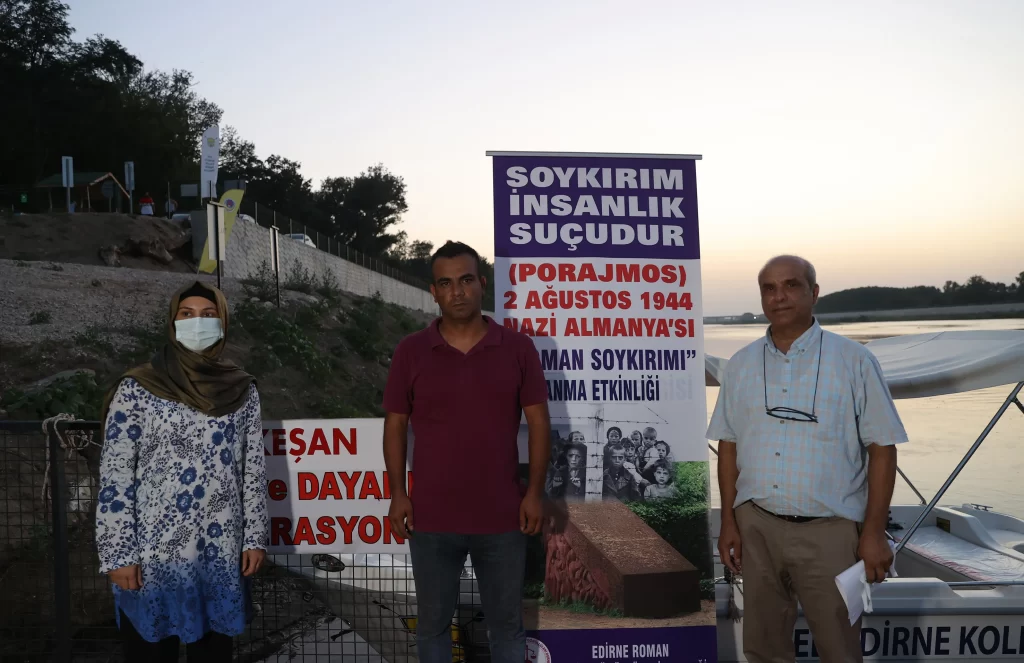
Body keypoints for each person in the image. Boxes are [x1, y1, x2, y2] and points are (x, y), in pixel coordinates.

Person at [706, 255, 908, 663]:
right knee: (763, 649)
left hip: (831, 532)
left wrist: (872, 533)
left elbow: (883, 448)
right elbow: (727, 445)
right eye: (769, 288)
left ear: (814, 293)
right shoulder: (741, 364)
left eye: (791, 285)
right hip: (757, 527)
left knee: (839, 649)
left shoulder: (854, 360)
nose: (779, 296)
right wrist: (728, 520)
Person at [382, 240, 550, 663]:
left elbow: (539, 423)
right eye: (446, 283)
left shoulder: (518, 348)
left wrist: (533, 494)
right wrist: (398, 494)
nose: (457, 291)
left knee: (507, 629)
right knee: (433, 627)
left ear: (482, 284)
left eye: (466, 280)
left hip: (503, 519)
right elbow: (395, 424)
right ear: (433, 291)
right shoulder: (411, 351)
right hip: (432, 519)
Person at [95, 280, 268, 662]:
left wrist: (254, 536)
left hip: (219, 552)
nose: (197, 323)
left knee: (214, 651)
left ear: (223, 322)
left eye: (208, 315)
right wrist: (117, 553)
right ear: (172, 323)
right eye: (186, 315)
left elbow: (252, 468)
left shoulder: (240, 389)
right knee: (150, 650)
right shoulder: (139, 387)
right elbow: (116, 476)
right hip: (152, 555)